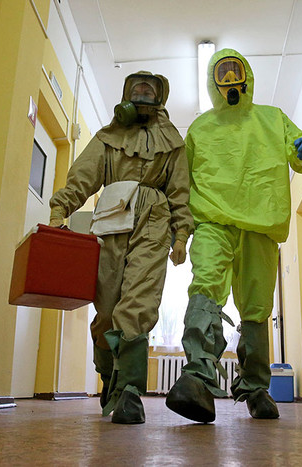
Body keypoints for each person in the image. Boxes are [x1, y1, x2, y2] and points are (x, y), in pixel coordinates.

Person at [165, 49, 302, 423]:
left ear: (247, 77)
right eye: (222, 74)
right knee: (205, 286)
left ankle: (255, 388)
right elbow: (182, 184)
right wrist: (180, 231)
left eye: (234, 72)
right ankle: (196, 377)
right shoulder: (200, 129)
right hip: (212, 221)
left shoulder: (272, 119)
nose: (229, 80)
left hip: (260, 224)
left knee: (256, 307)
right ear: (213, 81)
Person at [49, 71, 193, 424]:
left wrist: (181, 234)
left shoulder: (173, 142)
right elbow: (83, 175)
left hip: (154, 220)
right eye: (137, 88)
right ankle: (108, 375)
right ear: (126, 94)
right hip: (111, 219)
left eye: (149, 90)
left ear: (160, 98)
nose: (143, 93)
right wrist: (60, 208)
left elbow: (180, 190)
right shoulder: (107, 137)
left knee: (138, 303)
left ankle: (130, 391)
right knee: (107, 310)